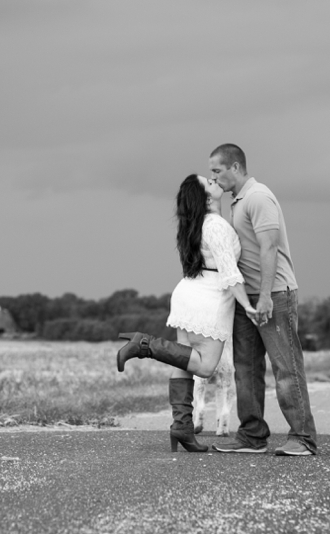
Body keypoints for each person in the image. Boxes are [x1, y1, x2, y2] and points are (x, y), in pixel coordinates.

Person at [117, 174, 257, 453]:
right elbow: (230, 273)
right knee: (204, 368)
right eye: (210, 183)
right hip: (209, 299)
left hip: (188, 294)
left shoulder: (195, 225)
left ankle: (181, 428)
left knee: (184, 364)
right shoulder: (215, 225)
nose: (216, 182)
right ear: (205, 198)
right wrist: (249, 307)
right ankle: (144, 344)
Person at [208, 143, 318, 456]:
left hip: (274, 295)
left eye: (217, 170)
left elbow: (269, 248)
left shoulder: (258, 197)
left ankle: (303, 438)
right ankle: (252, 436)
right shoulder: (238, 201)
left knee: (286, 367)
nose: (213, 177)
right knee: (246, 368)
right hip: (247, 297)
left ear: (235, 167)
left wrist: (267, 296)